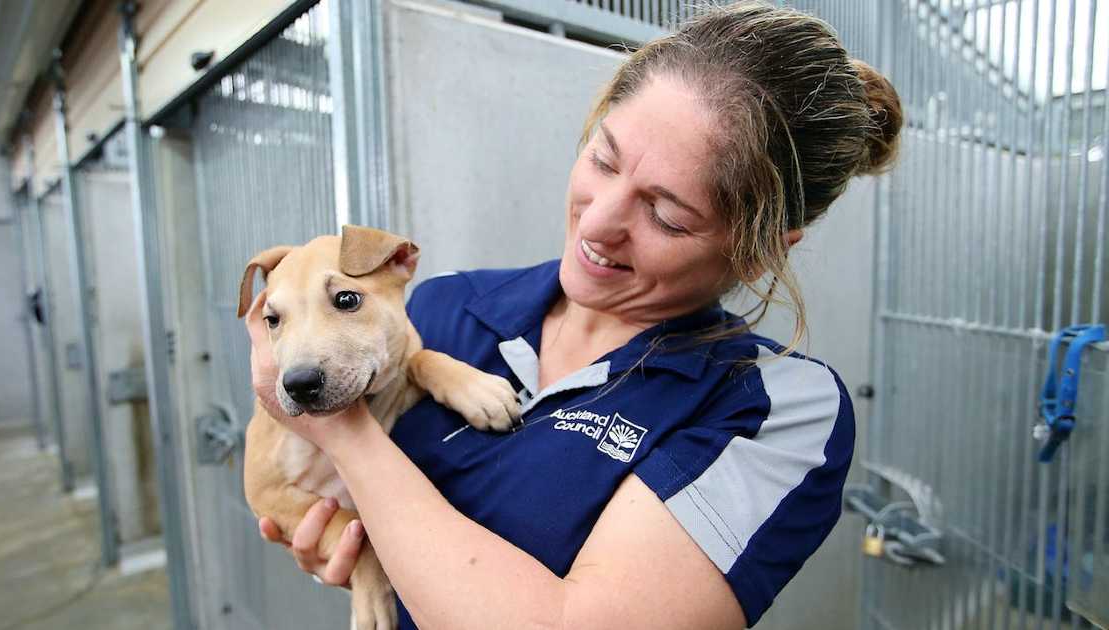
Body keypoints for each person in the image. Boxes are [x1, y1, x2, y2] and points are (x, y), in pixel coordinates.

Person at [249, 2, 902, 628]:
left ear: (759, 251)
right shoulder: (447, 306)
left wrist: (343, 430)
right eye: (602, 158)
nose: (596, 221)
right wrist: (346, 544)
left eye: (666, 214)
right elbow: (361, 515)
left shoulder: (773, 407)